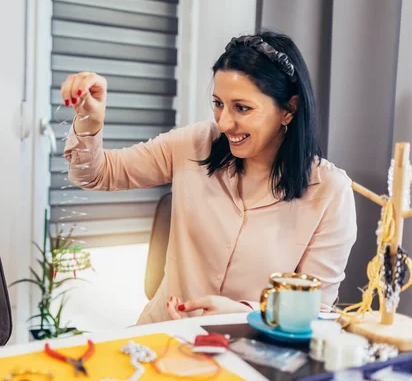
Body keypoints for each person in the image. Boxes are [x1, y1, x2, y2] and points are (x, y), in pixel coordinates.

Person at [60, 31, 357, 325]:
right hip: (163, 337)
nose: (224, 122)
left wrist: (246, 314)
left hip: (251, 353)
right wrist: (89, 121)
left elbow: (315, 311)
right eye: (218, 103)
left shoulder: (330, 192)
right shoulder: (196, 143)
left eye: (242, 108)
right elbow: (97, 175)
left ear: (288, 110)